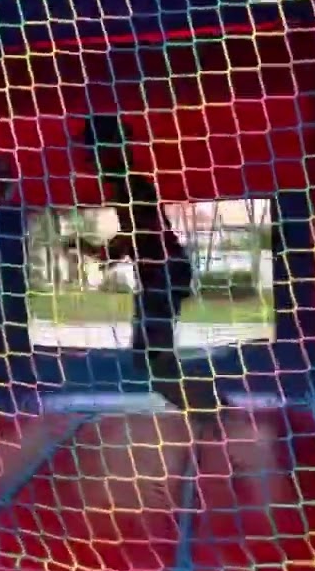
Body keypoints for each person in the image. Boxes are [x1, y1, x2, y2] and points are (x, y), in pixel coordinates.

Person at [62, 114, 220, 413]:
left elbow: (140, 234)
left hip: (163, 274)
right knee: (151, 360)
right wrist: (93, 249)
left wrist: (103, 249)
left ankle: (212, 412)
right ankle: (209, 409)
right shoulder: (128, 186)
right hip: (161, 275)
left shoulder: (132, 186)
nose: (89, 161)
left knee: (154, 360)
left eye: (92, 152)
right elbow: (133, 240)